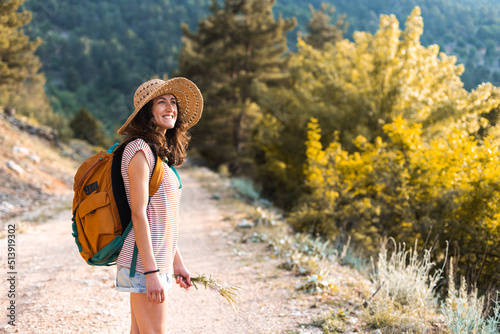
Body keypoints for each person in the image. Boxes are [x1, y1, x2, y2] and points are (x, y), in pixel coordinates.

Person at [114, 77, 203, 333]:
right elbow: (139, 214)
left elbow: (161, 218)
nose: (170, 108)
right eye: (161, 102)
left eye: (173, 102)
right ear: (147, 112)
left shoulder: (159, 154)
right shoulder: (140, 150)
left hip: (156, 263)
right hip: (144, 263)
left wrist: (176, 262)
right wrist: (152, 272)